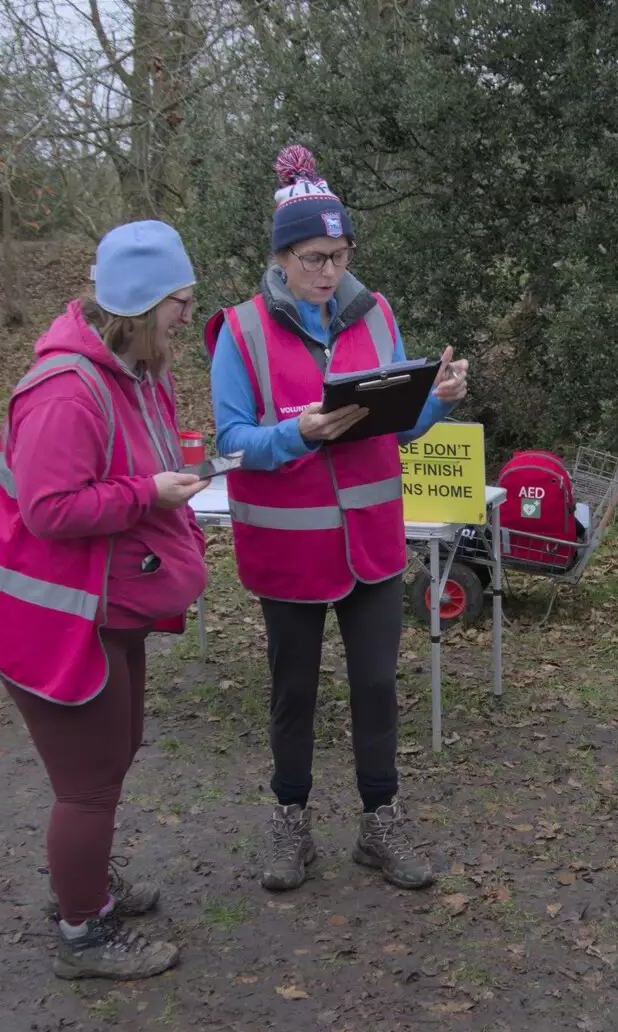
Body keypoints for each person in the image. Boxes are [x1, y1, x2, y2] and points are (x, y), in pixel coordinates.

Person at [207, 144, 468, 893]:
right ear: (283, 257)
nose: (330, 272)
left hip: (374, 547)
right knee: (294, 693)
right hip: (290, 554)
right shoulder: (241, 332)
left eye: (341, 254)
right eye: (316, 257)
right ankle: (291, 823)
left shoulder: (375, 313)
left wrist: (438, 399)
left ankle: (379, 823)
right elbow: (230, 442)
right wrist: (298, 434)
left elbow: (400, 426)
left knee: (378, 686)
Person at [0, 221, 210, 980]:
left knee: (118, 748)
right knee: (89, 782)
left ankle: (88, 887)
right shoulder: (66, 394)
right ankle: (83, 932)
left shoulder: (134, 372)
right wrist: (148, 494)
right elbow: (49, 509)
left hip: (108, 608)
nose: (187, 315)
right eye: (179, 300)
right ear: (139, 304)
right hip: (58, 621)